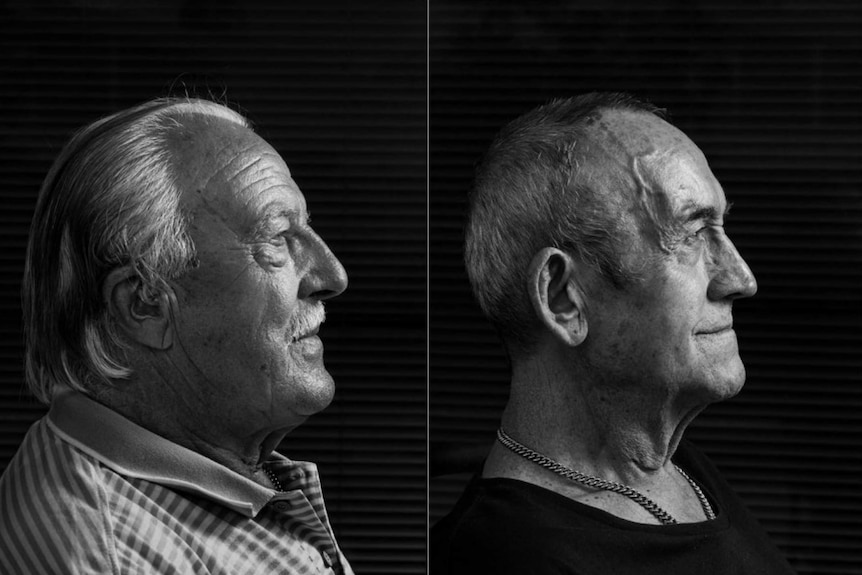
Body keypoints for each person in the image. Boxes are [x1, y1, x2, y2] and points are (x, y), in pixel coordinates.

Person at [431, 93, 796, 574]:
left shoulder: (678, 468)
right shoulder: (501, 556)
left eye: (721, 227)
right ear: (564, 299)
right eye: (690, 233)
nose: (741, 278)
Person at [0, 97, 354, 574]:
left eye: (306, 226)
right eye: (276, 237)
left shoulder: (205, 476)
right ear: (145, 304)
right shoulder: (109, 557)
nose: (332, 275)